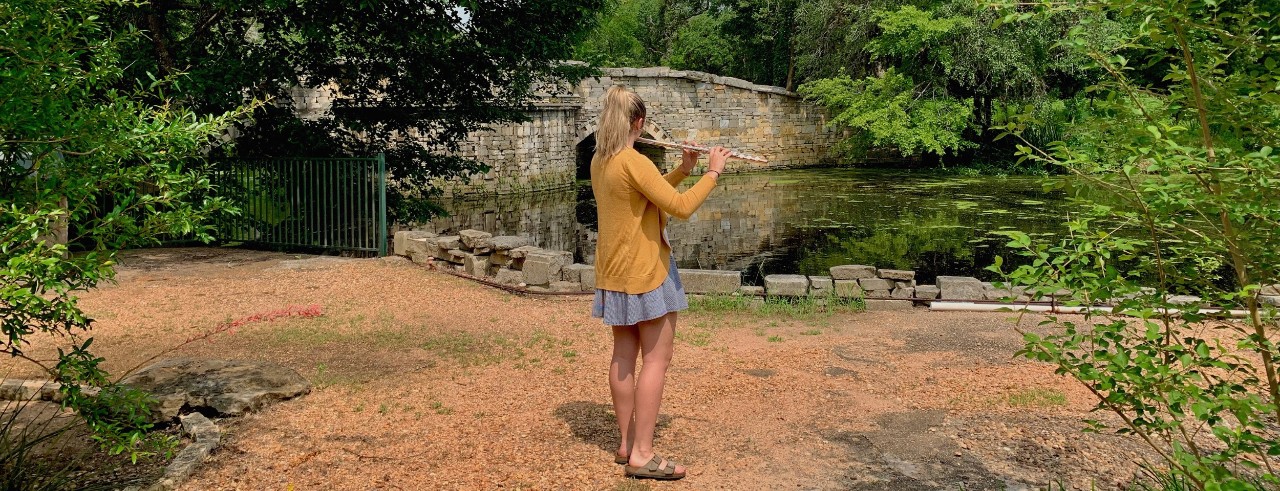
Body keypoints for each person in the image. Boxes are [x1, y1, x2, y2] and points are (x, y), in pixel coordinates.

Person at [590, 85, 729, 481]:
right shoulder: (634, 161)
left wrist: (684, 169)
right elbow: (680, 207)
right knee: (656, 359)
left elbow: (646, 195)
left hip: (614, 272)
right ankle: (643, 455)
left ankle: (626, 443)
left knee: (623, 355)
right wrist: (713, 171)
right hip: (645, 272)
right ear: (639, 122)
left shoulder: (602, 161)